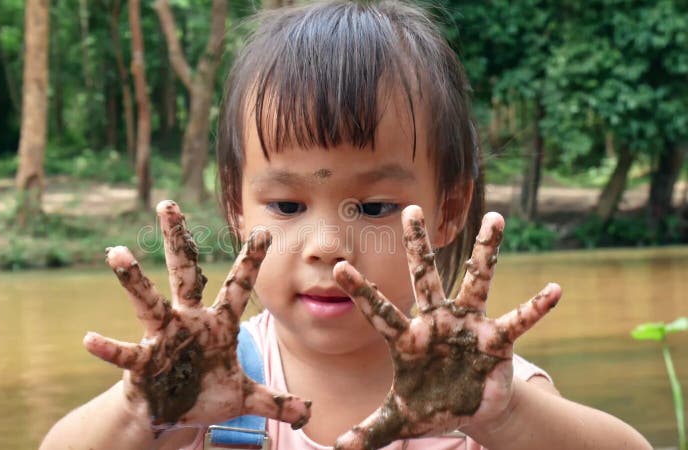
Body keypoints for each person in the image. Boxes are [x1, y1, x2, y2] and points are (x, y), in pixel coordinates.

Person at [40, 1, 652, 449]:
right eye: (286, 207)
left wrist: (504, 416)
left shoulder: (478, 382)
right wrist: (144, 409)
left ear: (448, 210)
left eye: (377, 207)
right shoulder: (204, 384)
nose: (328, 247)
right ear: (235, 206)